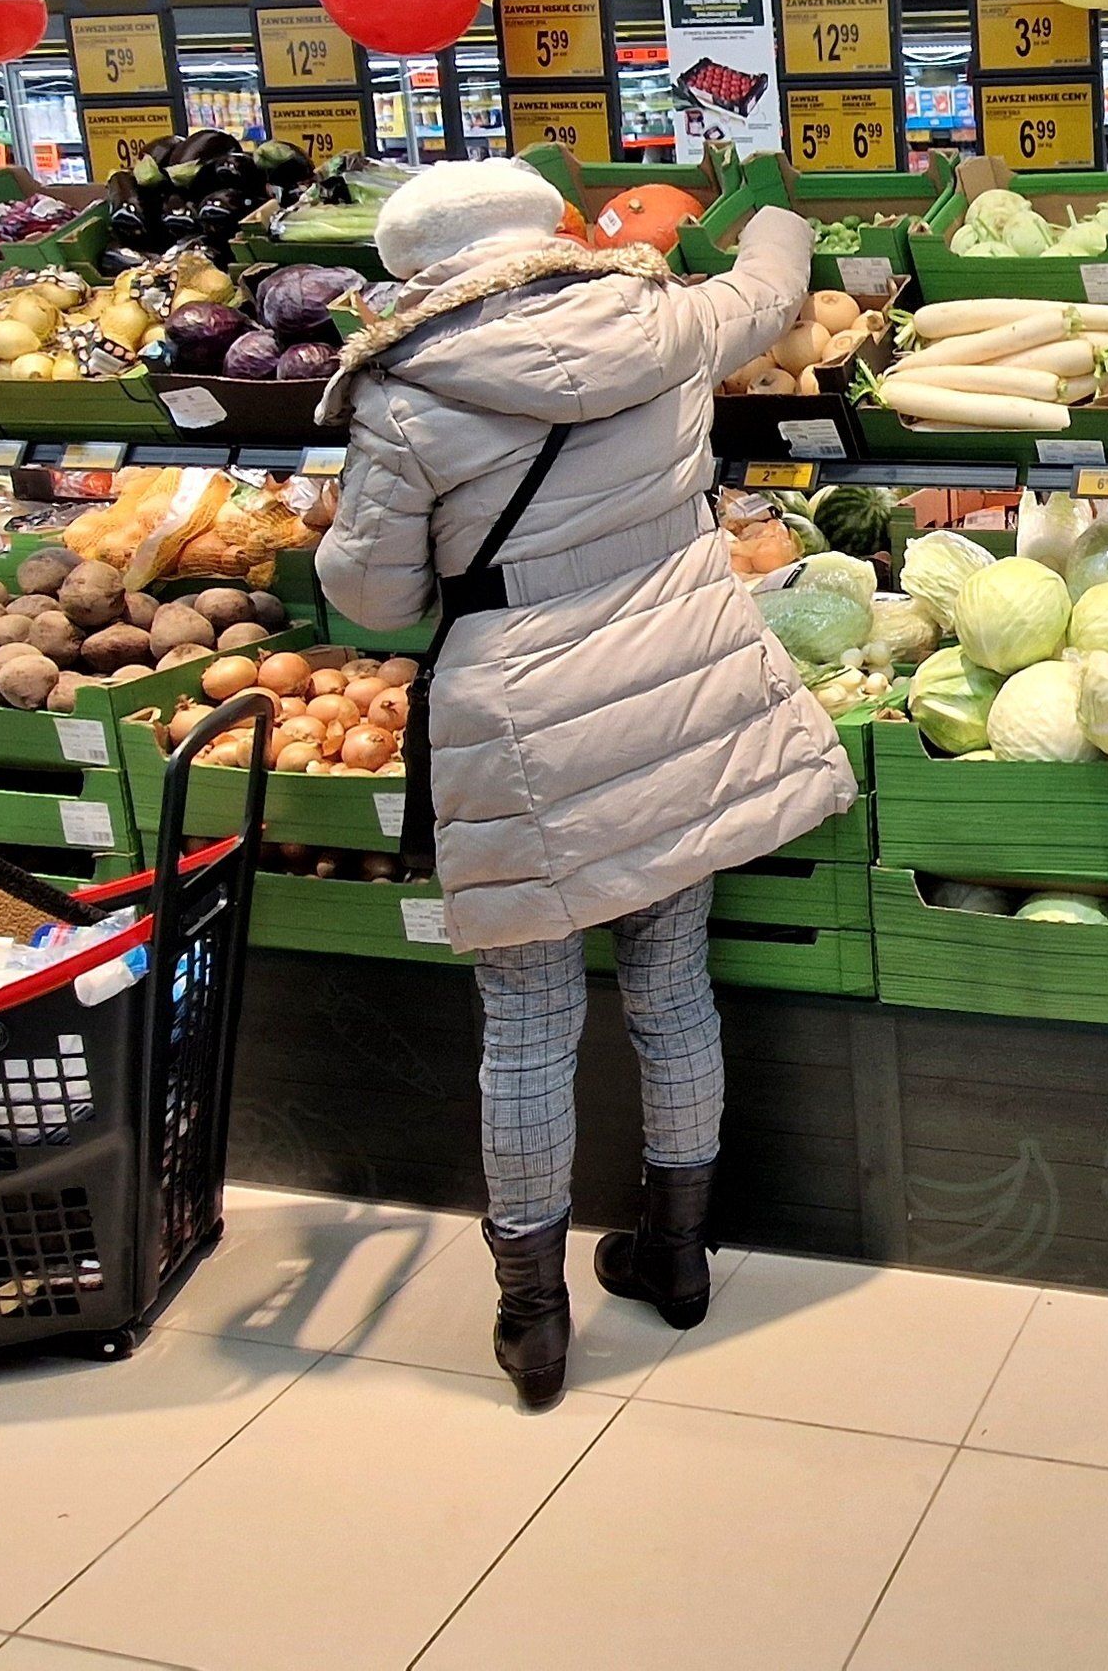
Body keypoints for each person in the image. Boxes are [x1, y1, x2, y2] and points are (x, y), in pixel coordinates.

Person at [313, 160, 850, 1409]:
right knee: (672, 988)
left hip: (525, 721)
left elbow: (377, 598)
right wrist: (773, 204)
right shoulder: (658, 318)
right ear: (549, 229)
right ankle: (677, 1253)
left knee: (528, 1029)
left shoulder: (403, 397)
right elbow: (767, 291)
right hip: (681, 688)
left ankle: (533, 1317)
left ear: (418, 274)